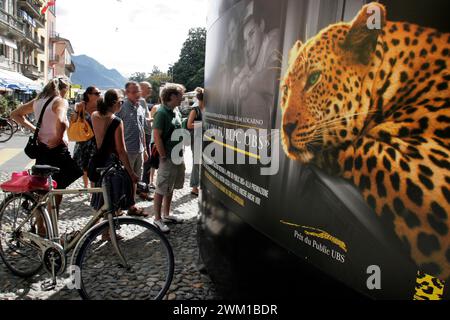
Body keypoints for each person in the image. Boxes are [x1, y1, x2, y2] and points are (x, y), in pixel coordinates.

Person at [12, 78, 83, 234]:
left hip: (42, 149)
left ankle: (41, 228)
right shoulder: (60, 101)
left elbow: (15, 114)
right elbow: (62, 122)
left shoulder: (38, 101)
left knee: (42, 191)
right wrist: (57, 138)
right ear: (64, 89)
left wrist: (34, 130)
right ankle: (53, 230)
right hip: (57, 150)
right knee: (58, 190)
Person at [90, 89, 139, 217]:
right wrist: (131, 172)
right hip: (111, 164)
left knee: (101, 197)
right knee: (112, 198)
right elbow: (121, 150)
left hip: (98, 160)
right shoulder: (116, 122)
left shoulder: (94, 115)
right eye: (121, 102)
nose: (122, 105)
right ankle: (108, 232)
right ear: (115, 103)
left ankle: (104, 230)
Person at [230, 1, 280, 126]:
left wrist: (249, 83)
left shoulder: (274, 38)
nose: (249, 46)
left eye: (252, 34)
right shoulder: (251, 54)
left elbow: (274, 75)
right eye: (246, 41)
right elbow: (239, 79)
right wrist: (239, 80)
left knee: (251, 96)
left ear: (262, 26)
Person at [152, 83, 186, 233]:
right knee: (161, 187)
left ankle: (166, 214)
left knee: (170, 186)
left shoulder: (175, 110)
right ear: (172, 96)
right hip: (168, 157)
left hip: (177, 155)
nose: (182, 98)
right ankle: (157, 219)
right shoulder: (161, 113)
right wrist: (163, 155)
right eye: (180, 95)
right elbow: (157, 136)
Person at [116, 81, 150, 215]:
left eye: (138, 91)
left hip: (139, 150)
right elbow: (114, 129)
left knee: (135, 179)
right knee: (123, 180)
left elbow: (141, 130)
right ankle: (117, 208)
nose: (137, 94)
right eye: (134, 91)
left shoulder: (140, 106)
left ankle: (132, 206)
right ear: (126, 93)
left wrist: (145, 149)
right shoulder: (121, 108)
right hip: (126, 151)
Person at [73, 86, 101, 188]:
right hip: (82, 140)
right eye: (97, 93)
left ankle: (93, 190)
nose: (99, 95)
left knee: (93, 166)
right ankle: (85, 187)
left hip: (94, 140)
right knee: (83, 166)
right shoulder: (81, 105)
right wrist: (77, 111)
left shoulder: (100, 107)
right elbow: (74, 120)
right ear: (89, 95)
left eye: (99, 93)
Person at [186, 87, 204, 196]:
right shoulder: (195, 110)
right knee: (196, 163)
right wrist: (202, 124)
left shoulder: (208, 109)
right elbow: (189, 125)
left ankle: (202, 185)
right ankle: (194, 187)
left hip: (207, 138)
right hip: (196, 138)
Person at [140, 81, 155, 190]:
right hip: (145, 134)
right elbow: (141, 119)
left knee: (147, 161)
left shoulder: (143, 101)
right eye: (148, 87)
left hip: (147, 133)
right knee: (147, 161)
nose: (151, 89)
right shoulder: (140, 101)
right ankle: (144, 187)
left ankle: (144, 185)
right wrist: (154, 119)